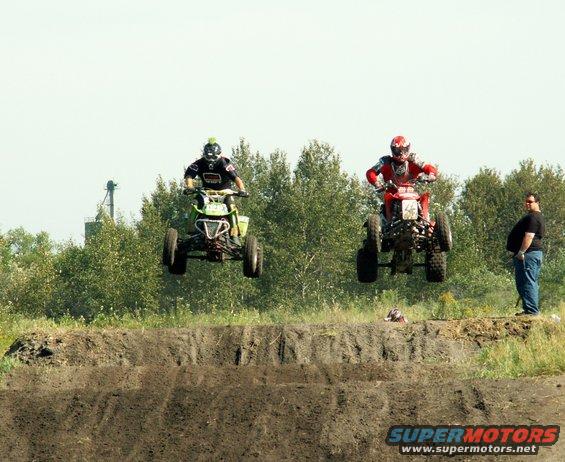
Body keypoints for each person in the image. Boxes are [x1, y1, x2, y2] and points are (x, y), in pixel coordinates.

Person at [184, 138, 247, 244]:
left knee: (231, 207)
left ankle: (234, 235)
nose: (211, 159)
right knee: (195, 205)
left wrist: (242, 189)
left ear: (219, 154)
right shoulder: (198, 163)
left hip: (225, 192)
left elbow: (236, 177)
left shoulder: (225, 163)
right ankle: (193, 232)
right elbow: (189, 175)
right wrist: (190, 186)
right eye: (208, 156)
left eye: (213, 156)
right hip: (206, 192)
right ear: (204, 154)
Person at [366, 135, 438, 223]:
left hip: (411, 193)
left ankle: (426, 222)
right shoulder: (385, 162)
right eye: (397, 151)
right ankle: (386, 225)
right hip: (393, 194)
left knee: (424, 199)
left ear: (408, 149)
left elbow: (429, 167)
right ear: (392, 150)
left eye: (404, 150)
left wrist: (431, 175)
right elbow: (371, 172)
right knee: (383, 210)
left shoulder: (414, 159)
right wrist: (376, 183)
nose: (401, 154)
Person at [506, 192, 545, 315]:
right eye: (526, 201)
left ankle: (532, 311)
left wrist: (521, 252)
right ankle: (528, 309)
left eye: (530, 201)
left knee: (528, 281)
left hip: (528, 254)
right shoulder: (535, 217)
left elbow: (529, 236)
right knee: (525, 281)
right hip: (529, 254)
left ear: (537, 203)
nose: (527, 204)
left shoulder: (533, 218)